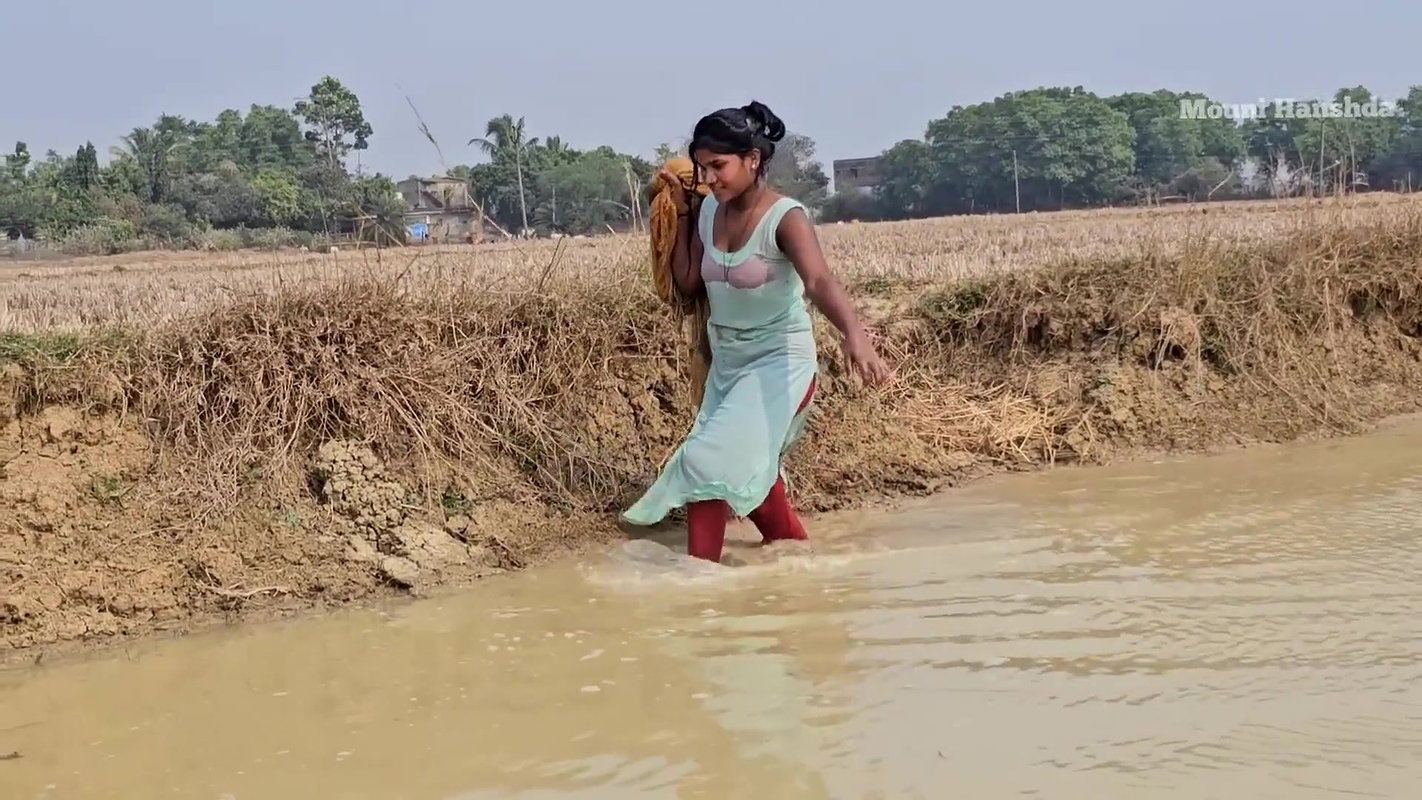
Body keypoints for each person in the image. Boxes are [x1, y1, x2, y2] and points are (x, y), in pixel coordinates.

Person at [621, 100, 894, 563]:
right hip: (728, 364)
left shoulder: (785, 218)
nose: (709, 178)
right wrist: (684, 213)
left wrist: (855, 336)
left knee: (708, 460)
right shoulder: (709, 211)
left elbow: (818, 281)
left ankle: (700, 577)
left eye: (719, 166)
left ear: (753, 159)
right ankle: (795, 558)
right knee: (748, 469)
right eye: (703, 168)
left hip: (778, 363)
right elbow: (689, 281)